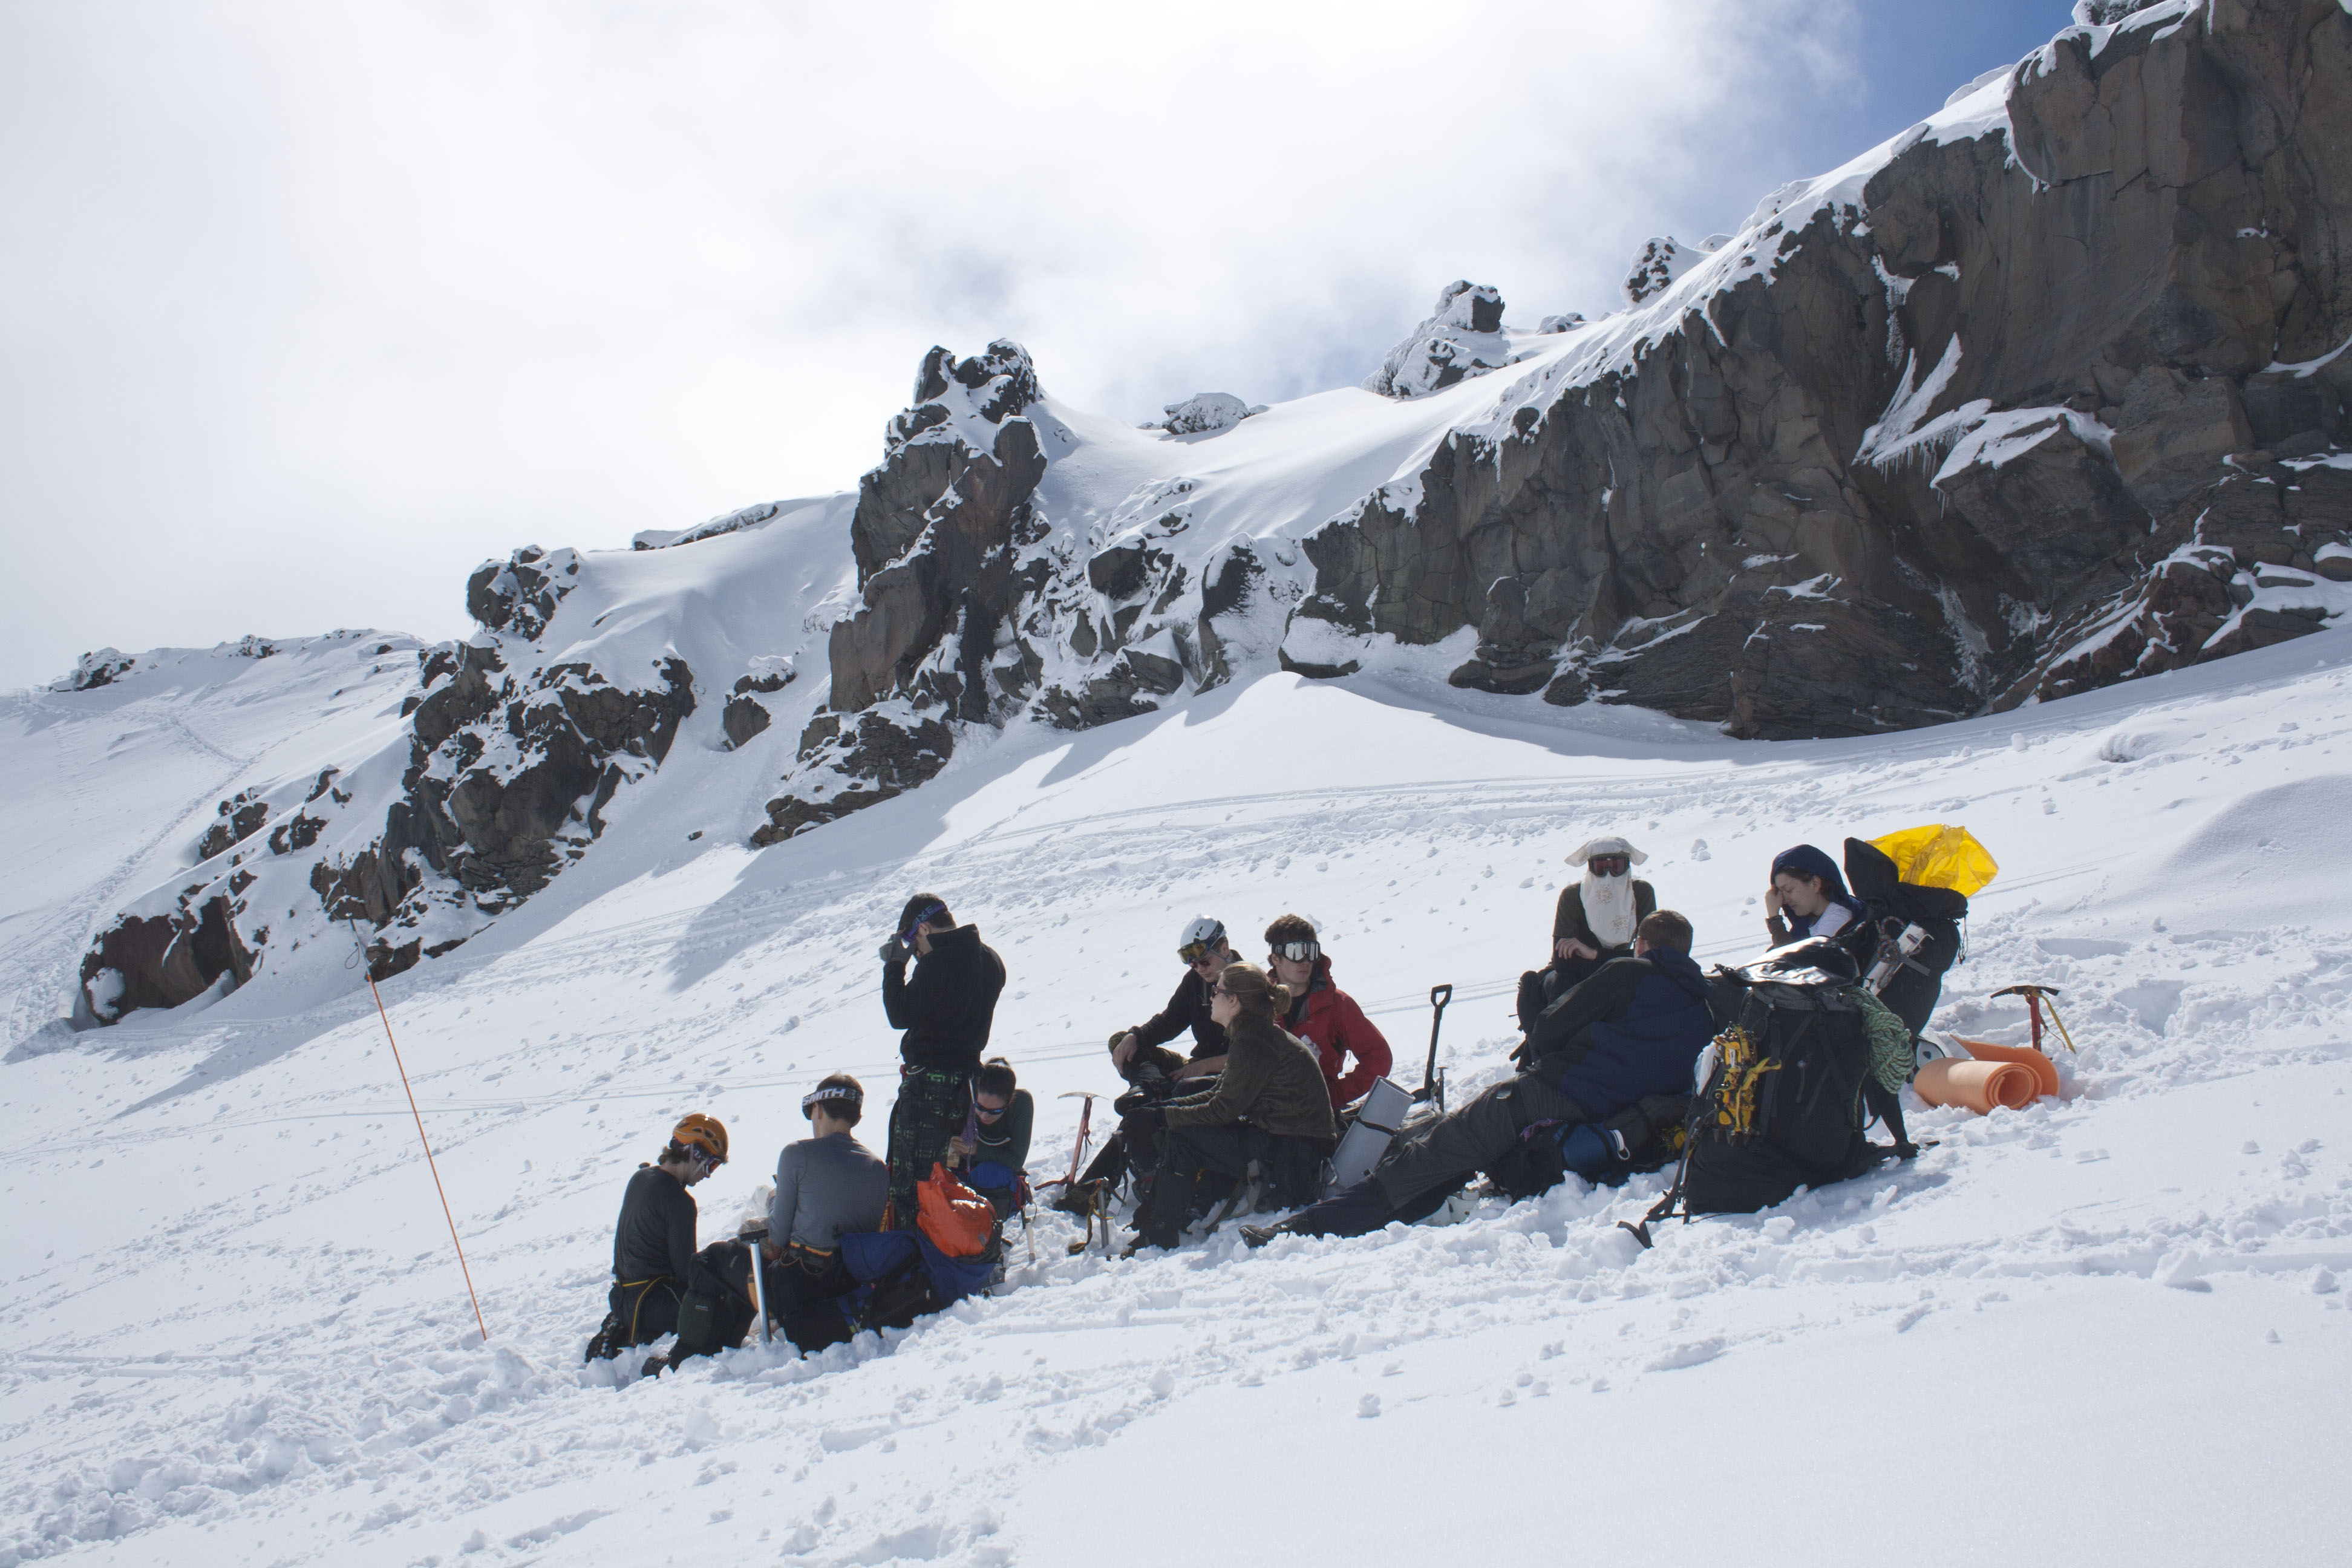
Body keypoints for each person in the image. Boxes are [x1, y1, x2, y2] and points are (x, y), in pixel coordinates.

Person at [1247, 910, 1712, 1246]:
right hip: (1613, 1119)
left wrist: (1533, 996)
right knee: (1457, 1153)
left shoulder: (1628, 972)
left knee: (1439, 1149)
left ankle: (1304, 1228)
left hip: (1553, 1094)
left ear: (1643, 945)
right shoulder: (1708, 1005)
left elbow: (1548, 1030)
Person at [1126, 961, 1338, 1252]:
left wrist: (1163, 1117)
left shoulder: (1253, 1040)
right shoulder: (1254, 1034)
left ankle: (1160, 1231)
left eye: (1217, 991)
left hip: (1293, 1160)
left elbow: (1222, 1109)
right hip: (1292, 1148)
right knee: (1188, 1126)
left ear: (1233, 1000)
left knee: (1184, 1137)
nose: (1211, 997)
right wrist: (1161, 1110)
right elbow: (1219, 1093)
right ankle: (1174, 1210)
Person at [1061, 916, 1235, 1207]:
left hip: (1225, 1076)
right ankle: (1148, 1089)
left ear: (1225, 948)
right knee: (1121, 1043)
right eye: (1193, 965)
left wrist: (1202, 1068)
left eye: (1204, 961)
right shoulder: (1197, 982)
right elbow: (1170, 1021)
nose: (1199, 969)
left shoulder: (1246, 983)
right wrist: (1136, 1036)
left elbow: (1251, 1054)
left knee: (1141, 1115)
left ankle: (1149, 1102)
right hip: (1195, 1068)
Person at [879, 893, 1006, 1229]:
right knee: (947, 1176)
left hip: (928, 1089)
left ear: (922, 929)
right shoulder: (992, 961)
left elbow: (899, 1013)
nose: (916, 954)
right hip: (966, 1087)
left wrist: (894, 965)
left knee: (912, 1184)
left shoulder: (939, 963)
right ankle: (949, 1241)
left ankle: (911, 1249)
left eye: (913, 945)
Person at [584, 1113, 727, 1361]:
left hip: (621, 1298)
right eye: (711, 1165)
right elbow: (686, 1273)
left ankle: (624, 1325)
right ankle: (657, 1350)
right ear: (695, 1154)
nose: (708, 1175)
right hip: (654, 1304)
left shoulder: (640, 1178)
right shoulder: (680, 1202)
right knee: (723, 1312)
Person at [1517, 837, 1656, 1031]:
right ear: (1590, 868)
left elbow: (1652, 957)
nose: (1609, 874)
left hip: (1618, 973)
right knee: (1563, 992)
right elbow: (1564, 963)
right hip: (1577, 976)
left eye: (1616, 866)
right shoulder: (1574, 896)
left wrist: (1594, 954)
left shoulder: (1641, 893)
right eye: (1601, 867)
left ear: (1627, 865)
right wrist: (1623, 959)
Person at [1264, 915, 1392, 1109]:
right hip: (1266, 1113)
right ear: (1276, 958)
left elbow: (1378, 1058)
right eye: (1296, 952)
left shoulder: (1337, 1005)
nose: (1306, 961)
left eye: (1312, 952)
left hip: (1316, 1116)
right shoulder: (1259, 1003)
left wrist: (1333, 1096)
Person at [1763, 844, 1877, 972]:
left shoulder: (1837, 919)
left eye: (1789, 890)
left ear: (1815, 883)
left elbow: (1799, 968)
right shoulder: (1810, 920)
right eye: (1781, 893)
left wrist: (1775, 920)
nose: (1785, 900)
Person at [950, 1057, 1034, 1217]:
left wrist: (977, 1150)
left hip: (997, 1181)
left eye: (994, 1112)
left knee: (988, 1172)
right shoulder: (966, 1095)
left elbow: (1016, 1161)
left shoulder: (1021, 1104)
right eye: (980, 1108)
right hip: (965, 1171)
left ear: (1009, 1103)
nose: (984, 1116)